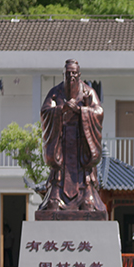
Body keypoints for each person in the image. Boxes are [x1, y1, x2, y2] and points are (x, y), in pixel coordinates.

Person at [38, 59, 107, 215]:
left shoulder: (88, 92)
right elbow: (45, 111)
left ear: (79, 74)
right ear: (63, 74)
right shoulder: (55, 93)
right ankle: (57, 194)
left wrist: (81, 111)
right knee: (53, 205)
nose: (71, 77)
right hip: (61, 145)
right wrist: (61, 109)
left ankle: (86, 193)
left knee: (88, 205)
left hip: (81, 144)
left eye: (74, 73)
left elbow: (99, 112)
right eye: (68, 73)